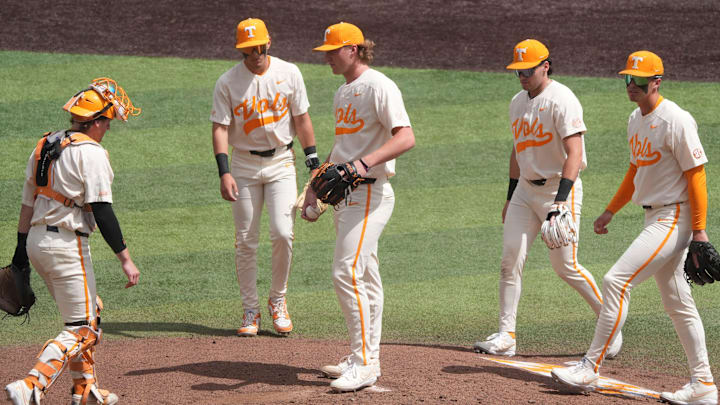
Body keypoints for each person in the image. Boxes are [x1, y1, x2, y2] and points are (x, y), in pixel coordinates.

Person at [551, 51, 717, 405]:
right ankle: (703, 384)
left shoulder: (676, 120)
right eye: (628, 79)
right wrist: (611, 210)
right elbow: (634, 171)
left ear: (657, 82)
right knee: (678, 302)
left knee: (616, 281)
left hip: (675, 216)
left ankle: (590, 365)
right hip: (653, 215)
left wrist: (700, 231)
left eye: (640, 80)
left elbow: (697, 176)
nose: (633, 86)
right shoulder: (634, 119)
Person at [474, 39, 622, 358]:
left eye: (528, 70)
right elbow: (518, 151)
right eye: (518, 71)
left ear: (545, 66)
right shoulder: (517, 102)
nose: (523, 76)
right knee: (509, 261)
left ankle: (611, 325)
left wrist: (561, 201)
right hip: (525, 192)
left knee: (565, 267)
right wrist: (510, 196)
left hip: (559, 190)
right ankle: (506, 335)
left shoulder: (562, 100)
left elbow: (575, 152)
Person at [4, 77, 141, 405]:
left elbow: (27, 205)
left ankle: (84, 389)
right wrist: (125, 258)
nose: (107, 129)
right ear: (95, 122)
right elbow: (102, 211)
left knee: (87, 313)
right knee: (83, 330)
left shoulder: (43, 145)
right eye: (106, 123)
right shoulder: (91, 154)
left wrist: (20, 255)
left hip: (38, 242)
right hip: (67, 247)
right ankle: (30, 385)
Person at [306, 22, 415, 392]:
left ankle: (365, 363)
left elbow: (406, 137)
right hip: (346, 198)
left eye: (333, 51)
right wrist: (312, 189)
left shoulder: (380, 86)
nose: (327, 58)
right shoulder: (342, 92)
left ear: (352, 49)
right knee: (365, 276)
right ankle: (364, 358)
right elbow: (341, 151)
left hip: (370, 195)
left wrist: (363, 164)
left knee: (345, 272)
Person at [211, 18, 320, 337]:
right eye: (248, 50)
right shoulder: (228, 82)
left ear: (268, 42)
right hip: (243, 164)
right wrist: (224, 171)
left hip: (281, 161)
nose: (254, 54)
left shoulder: (289, 73)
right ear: (241, 50)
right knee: (246, 239)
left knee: (283, 232)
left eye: (258, 47)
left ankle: (278, 300)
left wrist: (312, 161)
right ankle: (250, 309)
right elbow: (219, 127)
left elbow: (302, 119)